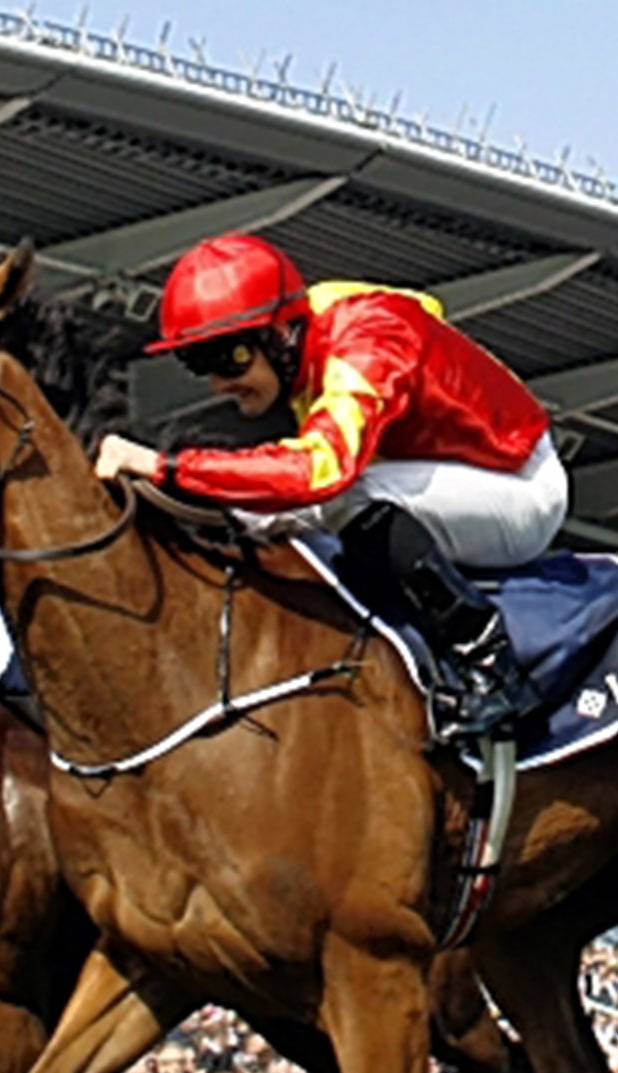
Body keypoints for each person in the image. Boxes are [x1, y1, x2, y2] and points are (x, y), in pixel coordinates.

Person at [93, 231, 564, 741]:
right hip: (437, 475)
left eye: (229, 358)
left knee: (342, 498)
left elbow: (323, 471)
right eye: (198, 364)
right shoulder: (306, 332)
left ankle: (492, 667)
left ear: (280, 336)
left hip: (520, 487)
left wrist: (168, 468)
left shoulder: (367, 343)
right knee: (267, 516)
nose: (218, 384)